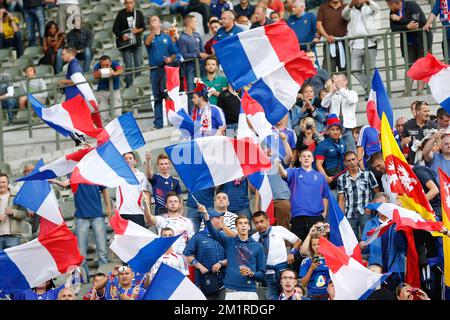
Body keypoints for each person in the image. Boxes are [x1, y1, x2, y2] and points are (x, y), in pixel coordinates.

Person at [50, 178, 111, 279]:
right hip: (81, 217)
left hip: (97, 215)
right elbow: (65, 183)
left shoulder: (95, 172)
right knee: (81, 254)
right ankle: (84, 278)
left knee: (102, 250)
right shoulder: (75, 173)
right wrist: (57, 182)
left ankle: (104, 278)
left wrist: (108, 207)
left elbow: (104, 189)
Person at [201, 206, 266, 300]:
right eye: (240, 223)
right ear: (236, 227)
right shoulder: (229, 242)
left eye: (245, 223)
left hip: (250, 291)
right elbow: (213, 232)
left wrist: (252, 273)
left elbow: (262, 275)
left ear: (248, 227)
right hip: (231, 292)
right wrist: (206, 216)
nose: (243, 225)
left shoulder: (258, 246)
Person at [277, 149, 329, 243]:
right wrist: (278, 164)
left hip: (316, 217)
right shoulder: (294, 172)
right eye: (303, 156)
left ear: (312, 159)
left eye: (308, 156)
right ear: (300, 159)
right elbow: (283, 174)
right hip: (298, 216)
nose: (306, 158)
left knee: (319, 247)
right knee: (298, 248)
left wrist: (324, 213)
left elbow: (325, 196)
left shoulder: (320, 176)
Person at [252, 211, 302, 300]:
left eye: (262, 221)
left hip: (283, 272)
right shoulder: (253, 238)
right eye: (256, 222)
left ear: (267, 220)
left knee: (290, 297)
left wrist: (292, 253)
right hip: (267, 274)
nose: (259, 224)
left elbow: (297, 241)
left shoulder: (279, 229)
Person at [360, 193, 407, 288]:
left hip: (395, 270)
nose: (380, 207)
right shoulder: (370, 224)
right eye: (377, 205)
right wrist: (362, 246)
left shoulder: (397, 222)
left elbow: (404, 247)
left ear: (389, 204)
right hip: (376, 271)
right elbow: (365, 249)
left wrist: (399, 230)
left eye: (383, 204)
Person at [386, 0, 432, 96]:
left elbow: (416, 23)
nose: (388, 7)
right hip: (408, 42)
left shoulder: (412, 5)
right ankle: (407, 91)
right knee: (409, 65)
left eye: (389, 4)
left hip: (422, 39)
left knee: (421, 65)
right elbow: (394, 28)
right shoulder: (392, 12)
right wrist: (406, 27)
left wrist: (399, 19)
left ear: (395, 3)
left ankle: (420, 91)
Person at [184, 210, 227, 300]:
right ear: (211, 221)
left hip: (223, 282)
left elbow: (231, 256)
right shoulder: (198, 236)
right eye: (218, 218)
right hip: (205, 281)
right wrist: (200, 267)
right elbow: (187, 254)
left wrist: (221, 263)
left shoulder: (223, 236)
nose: (221, 220)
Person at [59, 47, 103, 134]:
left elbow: (78, 81)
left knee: (76, 119)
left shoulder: (73, 64)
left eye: (63, 54)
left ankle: (87, 137)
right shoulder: (73, 64)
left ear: (70, 54)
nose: (61, 56)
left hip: (75, 96)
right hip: (74, 96)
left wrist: (63, 81)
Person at [337, 151, 380, 239]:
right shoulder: (341, 179)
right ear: (345, 163)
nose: (352, 162)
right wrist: (342, 217)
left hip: (365, 212)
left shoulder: (368, 174)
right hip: (350, 214)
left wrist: (370, 206)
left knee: (367, 239)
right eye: (348, 161)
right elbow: (341, 199)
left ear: (357, 160)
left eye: (353, 159)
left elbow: (378, 194)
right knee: (352, 242)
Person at [144, 15, 177, 129]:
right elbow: (147, 43)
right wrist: (153, 31)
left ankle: (173, 121)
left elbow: (174, 52)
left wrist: (170, 59)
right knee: (157, 96)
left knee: (169, 94)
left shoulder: (167, 37)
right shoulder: (148, 36)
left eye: (155, 20)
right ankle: (158, 124)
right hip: (154, 70)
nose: (153, 22)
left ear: (160, 22)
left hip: (166, 69)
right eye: (151, 20)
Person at [342, 0, 380, 99]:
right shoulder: (351, 10)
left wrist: (367, 1)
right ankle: (369, 89)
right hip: (355, 44)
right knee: (354, 70)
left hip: (370, 43)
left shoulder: (369, 8)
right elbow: (344, 15)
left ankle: (370, 94)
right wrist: (351, 4)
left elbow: (377, 8)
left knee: (370, 71)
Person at [178, 15, 209, 114]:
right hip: (190, 68)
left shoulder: (197, 35)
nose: (196, 24)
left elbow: (202, 50)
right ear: (189, 23)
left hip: (201, 66)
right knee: (192, 91)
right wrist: (197, 55)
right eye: (194, 22)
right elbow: (184, 55)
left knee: (203, 89)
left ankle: (205, 111)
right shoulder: (182, 38)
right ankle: (192, 113)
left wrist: (203, 55)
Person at [321, 74, 359, 152]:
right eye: (336, 81)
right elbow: (324, 104)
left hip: (348, 128)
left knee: (351, 151)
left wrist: (340, 88)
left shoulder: (352, 93)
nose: (337, 83)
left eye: (339, 81)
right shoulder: (333, 94)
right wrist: (331, 92)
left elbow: (352, 100)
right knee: (334, 152)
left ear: (346, 82)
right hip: (334, 128)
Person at [112, 0, 145, 88]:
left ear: (134, 3)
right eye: (127, 2)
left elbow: (143, 27)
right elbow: (114, 29)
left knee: (138, 64)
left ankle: (139, 84)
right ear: (124, 4)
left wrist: (137, 30)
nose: (129, 4)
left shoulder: (138, 13)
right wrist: (122, 35)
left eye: (131, 2)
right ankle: (129, 86)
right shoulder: (121, 14)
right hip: (125, 44)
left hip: (136, 43)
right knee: (128, 65)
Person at [116, 152, 151, 227]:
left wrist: (147, 213)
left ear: (135, 161)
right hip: (122, 212)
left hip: (138, 212)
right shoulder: (118, 175)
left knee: (140, 238)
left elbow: (145, 194)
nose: (128, 160)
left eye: (130, 158)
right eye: (125, 159)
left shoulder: (141, 176)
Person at [314, 114, 347, 192]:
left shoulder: (343, 142)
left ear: (341, 130)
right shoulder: (322, 145)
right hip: (330, 180)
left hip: (343, 177)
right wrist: (326, 177)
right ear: (328, 131)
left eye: (337, 129)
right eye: (333, 129)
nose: (335, 132)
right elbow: (318, 164)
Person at [316, 0, 348, 72]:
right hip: (328, 44)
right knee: (329, 71)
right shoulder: (323, 7)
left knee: (344, 71)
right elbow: (318, 24)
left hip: (344, 43)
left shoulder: (346, 7)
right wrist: (327, 37)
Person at [299, 234, 330, 300]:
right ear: (311, 246)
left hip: (328, 294)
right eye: (314, 245)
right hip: (313, 295)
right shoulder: (307, 261)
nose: (317, 247)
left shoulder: (330, 259)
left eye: (319, 244)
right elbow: (303, 283)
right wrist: (311, 269)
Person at [93, 55, 123, 120]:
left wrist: (114, 73)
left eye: (107, 65)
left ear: (110, 63)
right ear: (100, 64)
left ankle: (118, 130)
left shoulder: (114, 63)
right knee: (103, 115)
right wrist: (99, 73)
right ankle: (106, 130)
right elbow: (95, 75)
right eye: (103, 66)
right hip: (102, 92)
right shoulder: (97, 65)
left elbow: (120, 70)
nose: (105, 67)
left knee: (117, 113)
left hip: (114, 91)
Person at [0, 173, 26, 250]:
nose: (1, 185)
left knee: (11, 261)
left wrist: (13, 212)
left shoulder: (16, 196)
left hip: (13, 237)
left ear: (8, 183)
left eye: (3, 182)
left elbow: (24, 213)